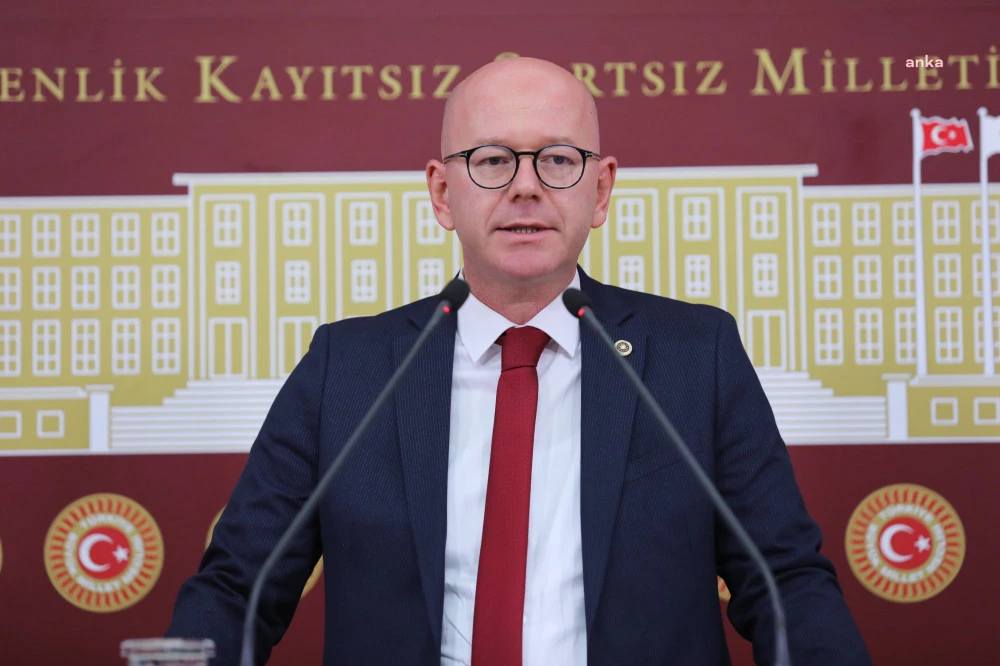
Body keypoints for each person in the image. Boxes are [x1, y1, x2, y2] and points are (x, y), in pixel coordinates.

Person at [166, 57, 872, 665]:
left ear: (601, 190)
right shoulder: (347, 371)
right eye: (493, 159)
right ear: (442, 192)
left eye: (558, 159)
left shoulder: (694, 357)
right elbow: (237, 588)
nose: (526, 186)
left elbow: (784, 582)